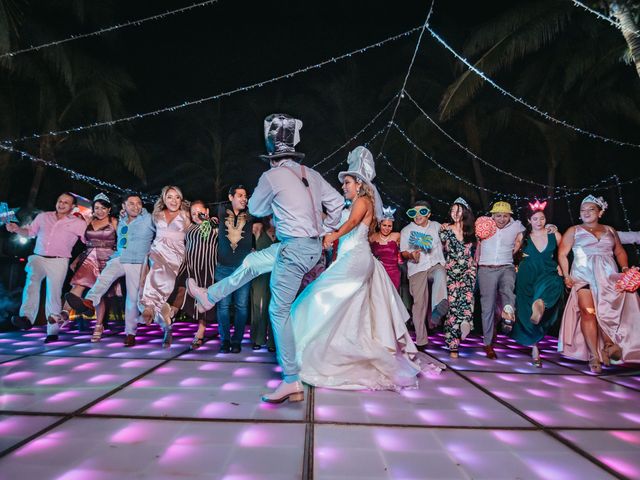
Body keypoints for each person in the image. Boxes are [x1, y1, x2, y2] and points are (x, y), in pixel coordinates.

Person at [188, 113, 344, 403]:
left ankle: (291, 380)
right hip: (309, 248)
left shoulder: (272, 176)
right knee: (251, 263)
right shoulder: (312, 174)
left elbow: (257, 207)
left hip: (293, 249)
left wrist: (279, 199)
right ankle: (209, 296)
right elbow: (337, 204)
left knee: (277, 311)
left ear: (272, 156)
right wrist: (325, 228)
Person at [292, 146, 444, 390]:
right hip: (348, 256)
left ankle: (336, 353)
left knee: (322, 293)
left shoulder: (362, 201)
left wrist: (333, 235)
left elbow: (352, 224)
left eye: (348, 182)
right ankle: (336, 349)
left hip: (357, 257)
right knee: (345, 305)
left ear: (360, 184)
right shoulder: (352, 204)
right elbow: (345, 221)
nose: (344, 186)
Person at [557, 195, 640, 373]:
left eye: (591, 209)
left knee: (606, 312)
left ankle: (609, 346)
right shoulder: (574, 230)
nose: (586, 213)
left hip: (607, 277)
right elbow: (562, 254)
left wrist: (625, 269)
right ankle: (594, 355)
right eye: (583, 210)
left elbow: (619, 251)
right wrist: (566, 275)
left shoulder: (610, 230)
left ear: (600, 212)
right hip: (583, 276)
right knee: (589, 313)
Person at [66, 194, 155, 346]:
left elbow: (162, 225)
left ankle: (130, 333)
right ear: (124, 207)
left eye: (138, 203)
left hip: (137, 261)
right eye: (131, 203)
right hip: (119, 257)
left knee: (132, 299)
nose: (136, 206)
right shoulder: (122, 220)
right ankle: (89, 301)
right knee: (104, 277)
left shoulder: (148, 219)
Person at [7, 192, 86, 343]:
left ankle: (53, 331)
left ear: (73, 206)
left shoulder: (78, 223)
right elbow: (30, 232)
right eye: (60, 201)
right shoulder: (43, 217)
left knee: (54, 295)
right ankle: (26, 318)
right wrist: (17, 229)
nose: (61, 204)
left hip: (59, 261)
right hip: (38, 257)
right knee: (31, 285)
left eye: (66, 202)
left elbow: (88, 240)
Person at [511, 201, 564, 367]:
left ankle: (541, 303)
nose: (539, 222)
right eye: (535, 219)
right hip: (527, 275)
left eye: (542, 218)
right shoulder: (522, 236)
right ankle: (535, 348)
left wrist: (562, 269)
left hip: (547, 271)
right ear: (529, 221)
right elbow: (510, 253)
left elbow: (564, 254)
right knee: (527, 312)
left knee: (555, 285)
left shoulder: (554, 235)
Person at [139, 185, 190, 348]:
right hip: (158, 251)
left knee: (168, 283)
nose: (173, 200)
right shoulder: (157, 215)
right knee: (155, 271)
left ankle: (167, 325)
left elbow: (197, 229)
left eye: (177, 197)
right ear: (164, 199)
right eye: (170, 197)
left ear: (181, 199)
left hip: (177, 255)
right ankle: (149, 307)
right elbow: (140, 219)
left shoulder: (186, 215)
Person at [165, 200, 218, 349]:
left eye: (199, 212)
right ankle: (169, 323)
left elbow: (215, 228)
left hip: (205, 269)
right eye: (193, 213)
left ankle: (200, 331)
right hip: (188, 266)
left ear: (206, 211)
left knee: (202, 302)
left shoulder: (212, 224)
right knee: (179, 292)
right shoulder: (190, 227)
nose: (196, 216)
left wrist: (207, 219)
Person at [64, 193, 119, 333]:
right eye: (97, 208)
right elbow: (85, 243)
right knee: (79, 284)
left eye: (103, 208)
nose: (99, 211)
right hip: (89, 257)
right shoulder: (88, 222)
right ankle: (63, 313)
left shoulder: (114, 221)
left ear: (109, 209)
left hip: (108, 258)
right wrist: (76, 259)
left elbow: (124, 240)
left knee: (99, 293)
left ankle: (99, 326)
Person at [476, 201, 525, 359]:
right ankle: (488, 343)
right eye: (498, 216)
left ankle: (507, 318)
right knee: (487, 307)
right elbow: (474, 238)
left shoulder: (516, 226)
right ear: (493, 215)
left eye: (505, 216)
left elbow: (529, 231)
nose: (502, 219)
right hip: (486, 268)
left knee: (508, 292)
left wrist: (552, 227)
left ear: (510, 216)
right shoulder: (484, 225)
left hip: (506, 266)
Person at [399, 200, 447, 350]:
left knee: (441, 273)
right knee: (419, 304)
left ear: (429, 214)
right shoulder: (407, 230)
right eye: (414, 212)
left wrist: (447, 229)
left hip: (435, 263)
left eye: (422, 212)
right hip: (417, 268)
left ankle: (437, 309)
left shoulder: (437, 226)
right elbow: (403, 252)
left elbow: (448, 241)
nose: (418, 215)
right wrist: (412, 254)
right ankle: (421, 340)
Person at [214, 185, 255, 354]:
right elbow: (199, 211)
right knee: (223, 306)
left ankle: (237, 340)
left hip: (243, 269)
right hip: (223, 267)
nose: (244, 198)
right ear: (231, 197)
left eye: (245, 195)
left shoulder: (251, 214)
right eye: (240, 195)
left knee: (241, 306)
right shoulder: (221, 211)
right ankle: (225, 340)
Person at [439, 198, 477, 358]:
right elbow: (437, 250)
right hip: (451, 272)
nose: (455, 213)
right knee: (453, 307)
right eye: (453, 210)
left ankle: (466, 324)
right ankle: (453, 344)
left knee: (467, 302)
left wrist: (550, 227)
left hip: (468, 271)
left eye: (459, 210)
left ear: (465, 212)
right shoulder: (444, 230)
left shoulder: (473, 231)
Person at [250, 217, 277, 352]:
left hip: (278, 275)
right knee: (259, 306)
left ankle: (273, 341)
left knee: (275, 307)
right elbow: (239, 232)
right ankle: (258, 338)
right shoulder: (259, 227)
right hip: (261, 275)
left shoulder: (285, 229)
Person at [369, 206, 402, 290]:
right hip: (377, 272)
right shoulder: (372, 237)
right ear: (379, 224)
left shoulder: (397, 236)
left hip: (393, 273)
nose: (387, 228)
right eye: (384, 225)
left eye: (389, 226)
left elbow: (406, 249)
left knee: (392, 297)